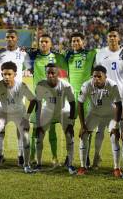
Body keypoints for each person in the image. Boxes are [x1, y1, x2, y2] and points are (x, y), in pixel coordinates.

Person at [93, 27, 123, 170]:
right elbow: (96, 75)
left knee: (121, 132)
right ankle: (96, 156)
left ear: (119, 38)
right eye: (110, 36)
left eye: (114, 36)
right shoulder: (101, 53)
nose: (112, 38)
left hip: (121, 99)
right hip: (104, 97)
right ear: (107, 38)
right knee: (100, 130)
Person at [0, 29, 30, 166]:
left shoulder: (23, 54)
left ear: (17, 39)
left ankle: (20, 155)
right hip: (2, 96)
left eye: (12, 37)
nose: (9, 39)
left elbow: (33, 69)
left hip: (18, 95)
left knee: (20, 128)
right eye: (7, 37)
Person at [0, 61, 36, 173]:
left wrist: (27, 117)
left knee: (25, 136)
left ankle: (26, 164)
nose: (6, 76)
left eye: (9, 74)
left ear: (15, 74)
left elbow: (33, 100)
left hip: (19, 113)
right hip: (3, 113)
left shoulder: (21, 86)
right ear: (1, 74)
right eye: (4, 74)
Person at [77, 65, 122, 177]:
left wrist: (116, 125)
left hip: (110, 114)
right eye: (94, 76)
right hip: (94, 114)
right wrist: (82, 125)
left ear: (105, 77)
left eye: (99, 76)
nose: (96, 79)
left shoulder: (112, 85)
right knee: (83, 135)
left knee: (114, 137)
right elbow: (80, 104)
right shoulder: (87, 85)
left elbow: (119, 105)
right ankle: (83, 167)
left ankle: (117, 168)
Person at [27, 33, 65, 166]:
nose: (43, 44)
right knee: (35, 128)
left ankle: (54, 158)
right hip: (37, 97)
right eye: (41, 42)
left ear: (50, 44)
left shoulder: (56, 57)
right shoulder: (33, 56)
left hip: (51, 98)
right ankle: (32, 157)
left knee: (52, 129)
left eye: (46, 42)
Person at [62, 32, 97, 166]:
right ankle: (69, 156)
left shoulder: (91, 53)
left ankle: (86, 156)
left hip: (87, 95)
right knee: (69, 125)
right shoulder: (68, 55)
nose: (75, 43)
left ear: (84, 41)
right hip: (71, 95)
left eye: (78, 41)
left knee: (87, 127)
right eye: (73, 41)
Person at [35, 63, 76, 174]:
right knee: (38, 138)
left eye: (53, 73)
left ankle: (70, 164)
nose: (50, 75)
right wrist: (38, 124)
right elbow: (38, 105)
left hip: (63, 110)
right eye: (48, 73)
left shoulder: (66, 85)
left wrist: (71, 124)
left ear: (58, 73)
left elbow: (72, 104)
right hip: (47, 110)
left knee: (69, 137)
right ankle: (38, 164)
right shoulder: (41, 85)